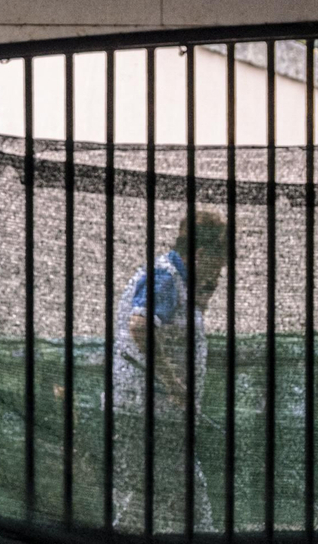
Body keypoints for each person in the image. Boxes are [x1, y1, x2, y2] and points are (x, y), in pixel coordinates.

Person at [112, 209, 228, 535]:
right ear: (201, 254)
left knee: (144, 504)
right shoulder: (165, 276)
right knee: (192, 500)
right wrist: (174, 382)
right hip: (147, 415)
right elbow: (140, 326)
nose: (217, 274)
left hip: (154, 415)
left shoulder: (178, 283)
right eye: (216, 264)